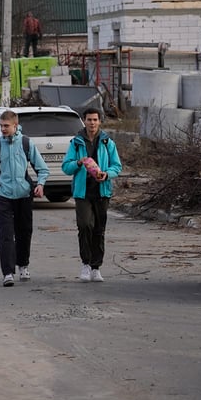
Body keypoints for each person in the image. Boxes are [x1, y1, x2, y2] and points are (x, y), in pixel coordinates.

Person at [0, 110, 49, 287]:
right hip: (3, 196)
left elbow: (43, 168)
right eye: (1, 126)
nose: (3, 129)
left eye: (6, 126)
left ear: (15, 125)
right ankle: (7, 272)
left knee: (24, 232)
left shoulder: (26, 143)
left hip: (24, 195)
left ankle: (23, 265)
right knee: (5, 235)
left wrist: (40, 184)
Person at [61, 108, 122, 282]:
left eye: (95, 120)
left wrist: (107, 174)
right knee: (84, 225)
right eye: (89, 120)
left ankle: (96, 267)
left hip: (102, 191)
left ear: (99, 121)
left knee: (99, 229)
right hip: (82, 192)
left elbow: (117, 166)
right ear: (84, 121)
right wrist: (78, 163)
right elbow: (66, 167)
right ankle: (85, 264)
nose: (92, 123)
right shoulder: (76, 143)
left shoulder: (107, 142)